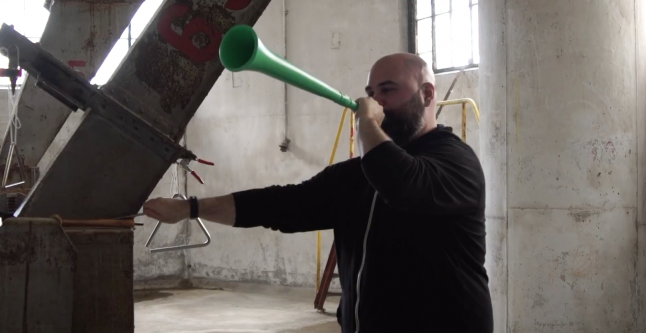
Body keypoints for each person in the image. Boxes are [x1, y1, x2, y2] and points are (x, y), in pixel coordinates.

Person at [143, 53, 493, 333]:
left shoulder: (454, 163)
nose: (375, 102)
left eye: (388, 90)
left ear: (427, 94)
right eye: (371, 94)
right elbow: (281, 205)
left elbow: (402, 184)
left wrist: (367, 124)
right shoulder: (358, 176)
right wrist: (191, 209)